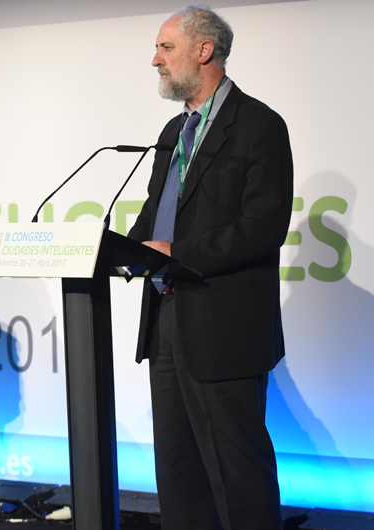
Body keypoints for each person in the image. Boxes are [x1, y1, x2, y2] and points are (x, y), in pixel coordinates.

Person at [126, 6, 293, 530]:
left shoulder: (259, 125)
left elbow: (263, 226)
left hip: (224, 327)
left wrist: (178, 255)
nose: (155, 60)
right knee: (177, 471)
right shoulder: (174, 131)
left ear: (204, 51)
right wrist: (123, 248)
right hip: (165, 321)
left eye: (165, 48)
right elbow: (155, 213)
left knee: (236, 472)